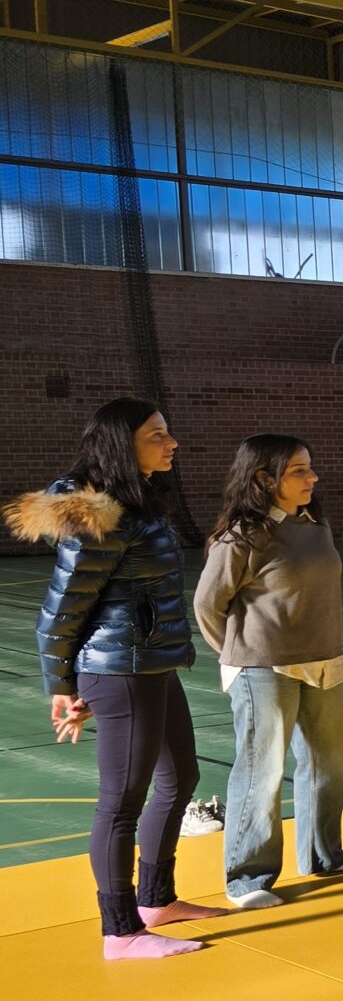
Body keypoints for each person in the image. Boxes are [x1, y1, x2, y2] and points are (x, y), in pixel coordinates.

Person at [9, 399, 223, 960]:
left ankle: (156, 901)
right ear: (121, 445)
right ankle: (120, 931)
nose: (172, 443)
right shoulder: (101, 516)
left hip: (150, 663)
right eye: (158, 435)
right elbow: (62, 609)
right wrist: (63, 686)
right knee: (121, 801)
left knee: (181, 778)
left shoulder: (138, 502)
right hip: (120, 668)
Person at [193, 434, 343, 909]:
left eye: (310, 467)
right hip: (263, 668)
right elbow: (207, 605)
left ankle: (323, 855)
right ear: (263, 478)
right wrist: (239, 653)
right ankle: (246, 878)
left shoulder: (315, 525)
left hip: (324, 662)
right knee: (264, 771)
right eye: (299, 470)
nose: (312, 477)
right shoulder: (242, 536)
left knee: (330, 764)